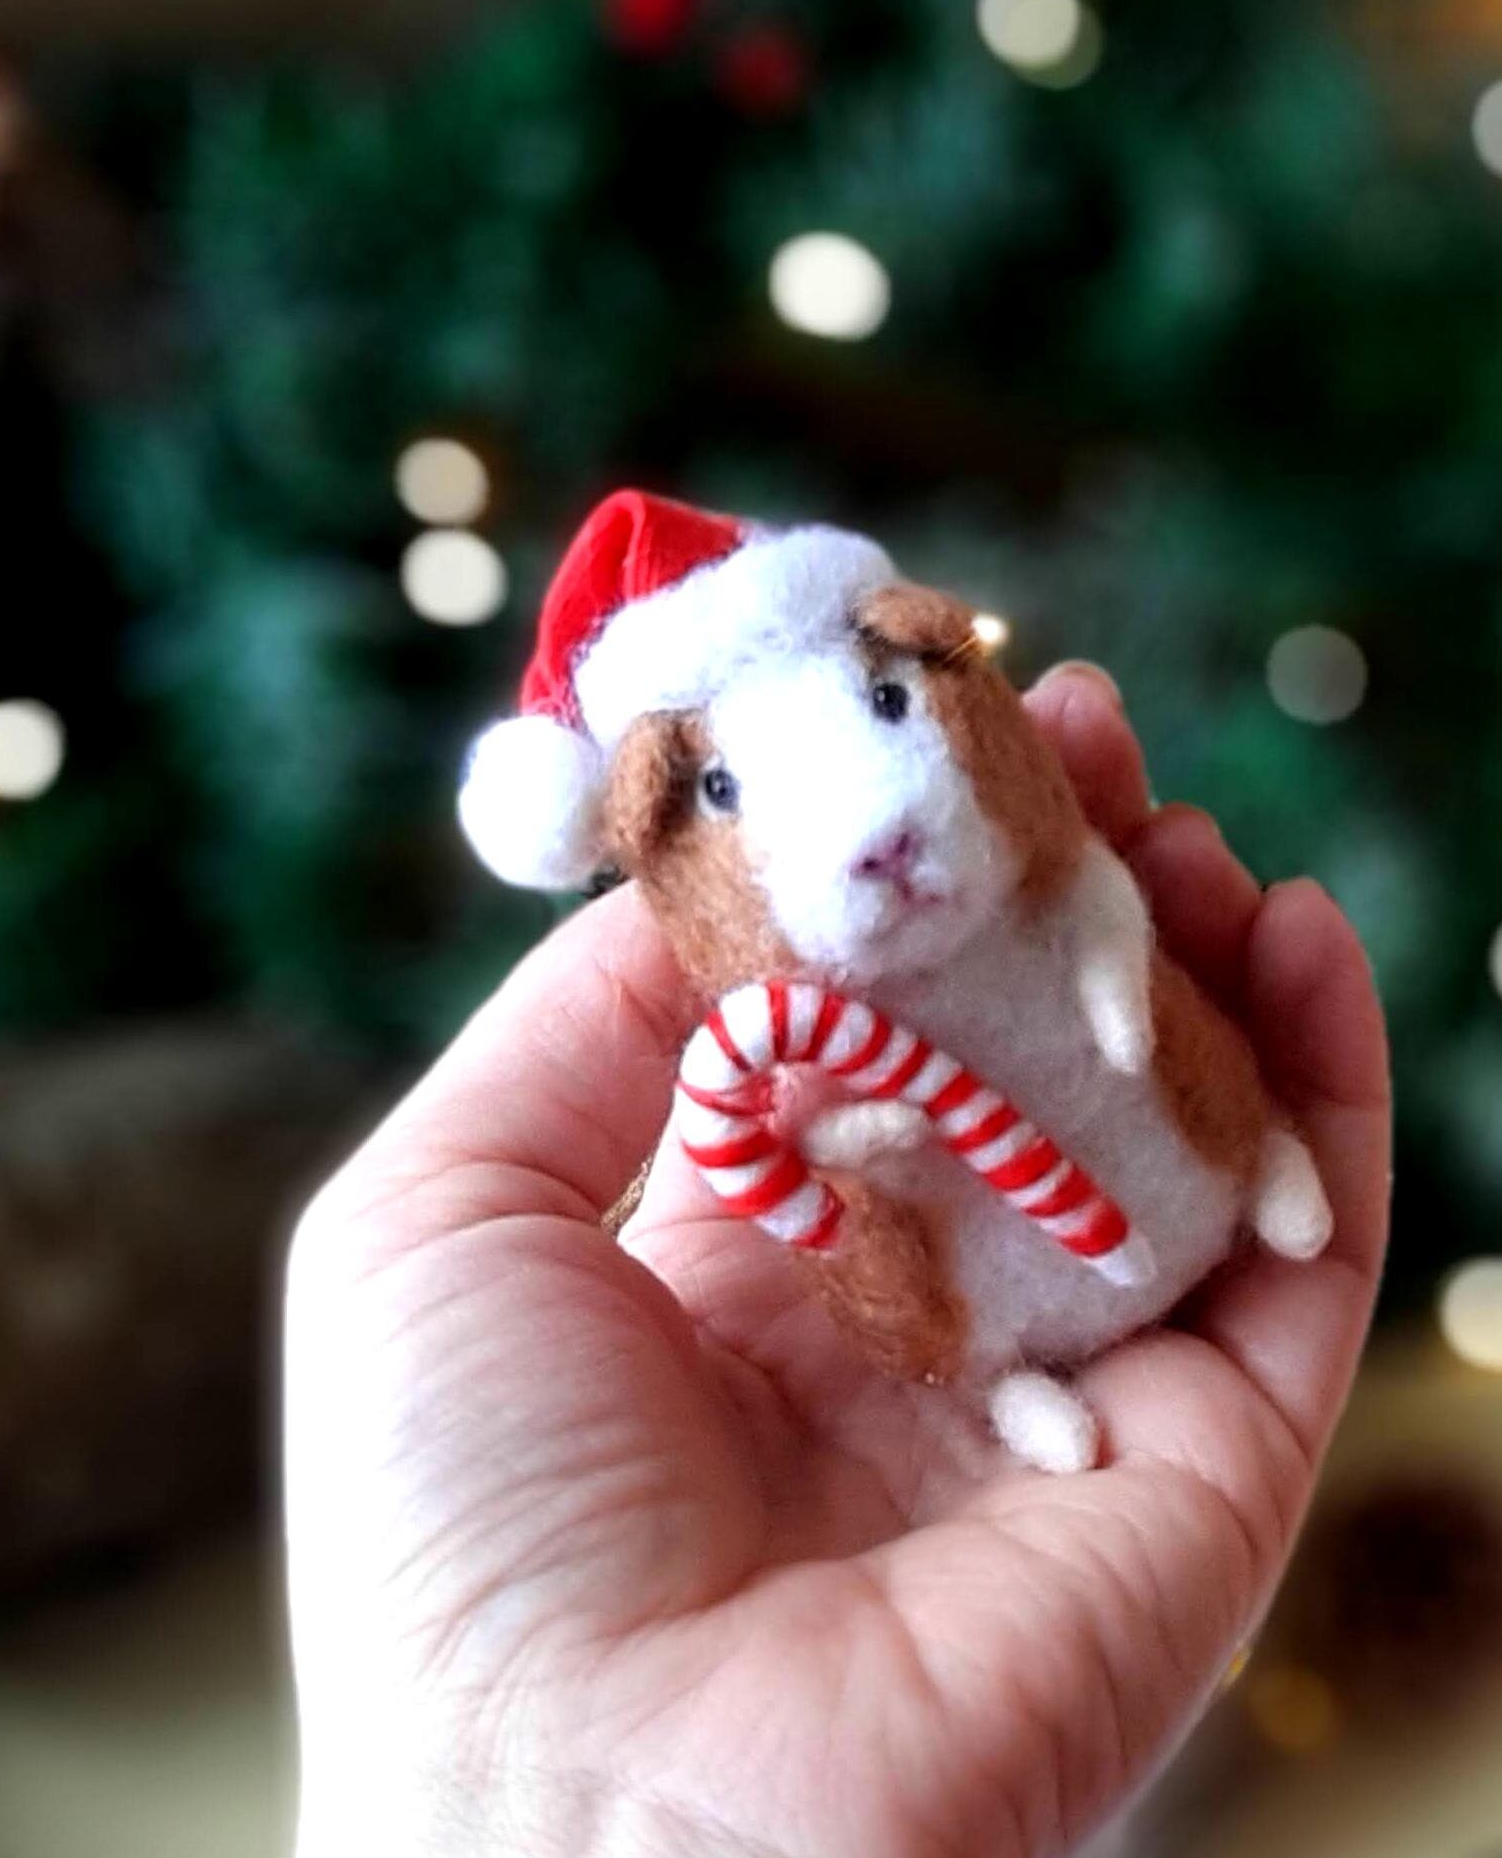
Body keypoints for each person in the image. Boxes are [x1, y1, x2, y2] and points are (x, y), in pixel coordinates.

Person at [283, 663, 1392, 1856]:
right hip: (991, 1243)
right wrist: (861, 1134)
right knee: (922, 1278)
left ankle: (1255, 1162)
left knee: (1186, 1070)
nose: (887, 836)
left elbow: (1099, 901)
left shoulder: (1030, 875)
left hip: (1144, 1150)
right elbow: (813, 1143)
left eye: (890, 707)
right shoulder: (812, 1021)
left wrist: (1115, 985)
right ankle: (1005, 1382)